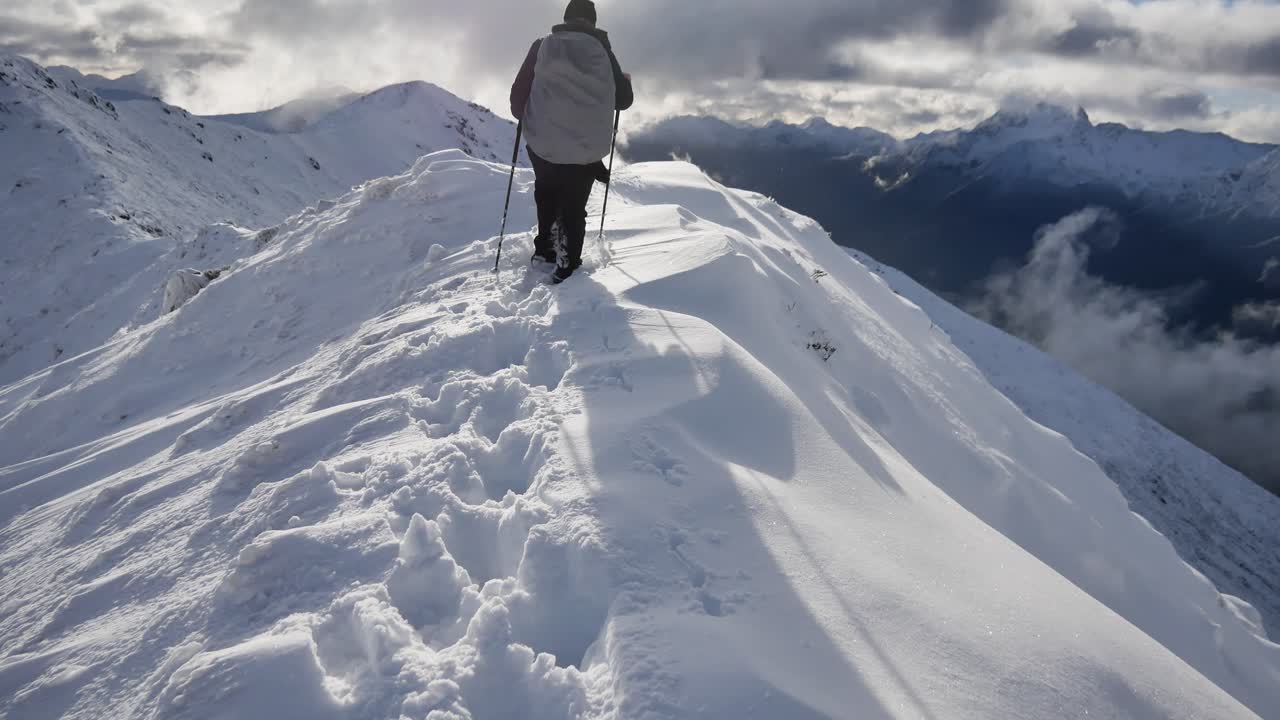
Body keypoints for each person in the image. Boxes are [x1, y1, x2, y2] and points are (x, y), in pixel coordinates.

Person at [510, 0, 634, 283]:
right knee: (574, 206)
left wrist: (526, 116)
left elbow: (519, 96)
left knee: (546, 193)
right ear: (592, 22)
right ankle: (567, 264)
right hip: (585, 150)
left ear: (566, 19)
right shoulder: (603, 50)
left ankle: (545, 249)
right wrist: (625, 81)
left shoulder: (541, 46)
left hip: (542, 143)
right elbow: (623, 101)